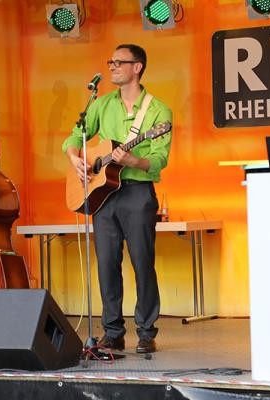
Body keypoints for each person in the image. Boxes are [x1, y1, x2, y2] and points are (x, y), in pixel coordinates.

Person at [62, 44, 172, 353]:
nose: (112, 66)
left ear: (137, 67)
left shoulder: (159, 111)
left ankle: (146, 332)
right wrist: (75, 157)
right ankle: (112, 331)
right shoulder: (100, 104)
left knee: (142, 262)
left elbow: (159, 159)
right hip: (103, 196)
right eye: (110, 61)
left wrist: (132, 161)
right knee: (107, 264)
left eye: (119, 62)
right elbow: (74, 137)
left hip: (137, 193)